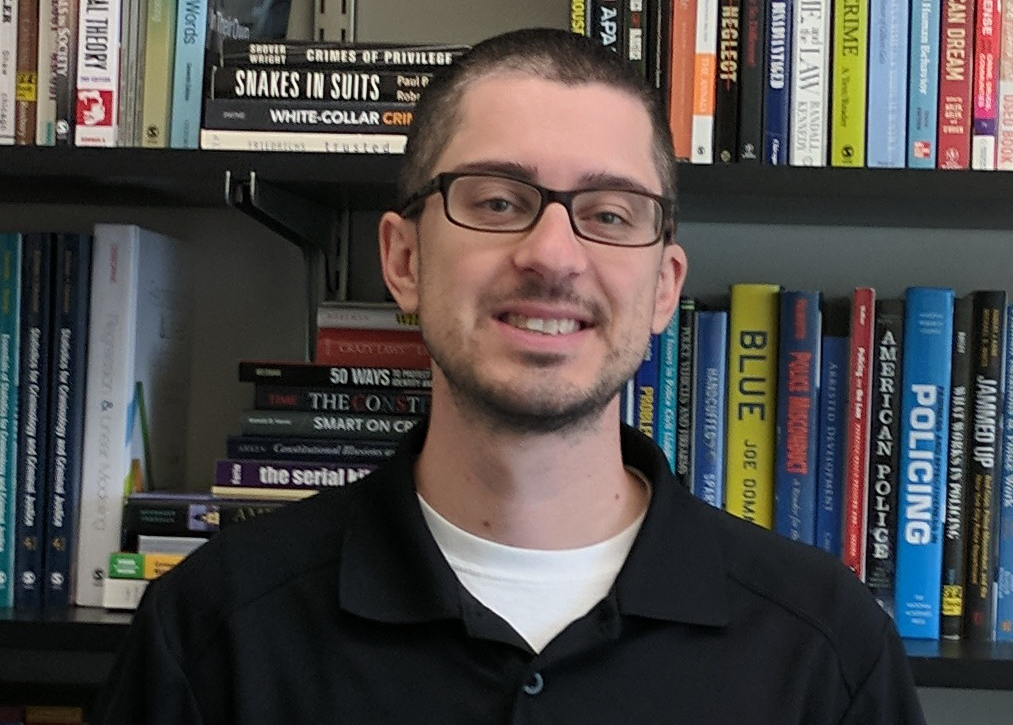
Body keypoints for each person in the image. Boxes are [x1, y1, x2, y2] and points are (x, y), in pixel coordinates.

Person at [92, 27, 927, 724]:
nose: (552, 255)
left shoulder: (826, 647)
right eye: (497, 201)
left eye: (607, 213)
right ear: (404, 258)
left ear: (664, 285)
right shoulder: (213, 629)